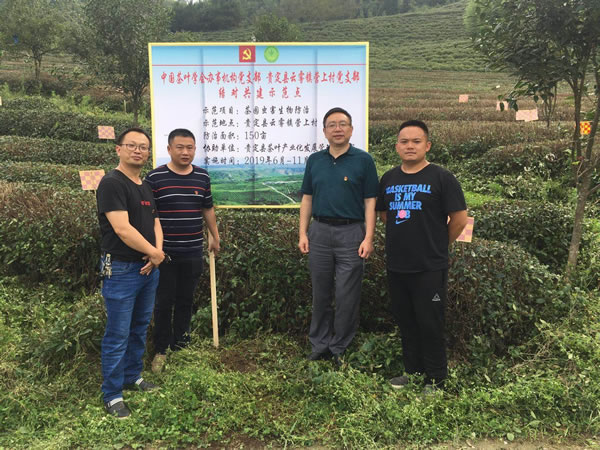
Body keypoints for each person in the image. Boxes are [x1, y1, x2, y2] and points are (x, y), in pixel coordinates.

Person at [376, 119, 467, 392]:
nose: (410, 146)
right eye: (404, 141)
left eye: (416, 141)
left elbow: (460, 219)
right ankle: (413, 372)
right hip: (397, 264)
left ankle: (436, 379)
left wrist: (438, 244)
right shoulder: (388, 179)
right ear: (396, 147)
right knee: (406, 320)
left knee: (430, 322)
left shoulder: (442, 178)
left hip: (430, 267)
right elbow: (384, 215)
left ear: (427, 145)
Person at [298, 107, 379, 365]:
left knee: (347, 294)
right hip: (319, 232)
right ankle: (319, 343)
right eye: (332, 125)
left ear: (351, 129)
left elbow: (370, 201)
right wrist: (303, 233)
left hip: (351, 233)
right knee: (320, 292)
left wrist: (368, 237)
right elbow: (307, 198)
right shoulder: (315, 160)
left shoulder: (363, 160)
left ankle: (339, 346)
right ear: (324, 131)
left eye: (342, 124)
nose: (337, 129)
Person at [96, 127, 166, 419]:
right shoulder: (111, 183)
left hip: (148, 267)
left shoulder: (144, 184)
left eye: (143, 147)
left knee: (139, 326)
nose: (138, 150)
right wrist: (154, 253)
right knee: (118, 333)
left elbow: (155, 221)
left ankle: (131, 376)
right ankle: (112, 394)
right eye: (132, 145)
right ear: (118, 149)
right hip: (122, 268)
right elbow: (122, 229)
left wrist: (156, 253)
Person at [145, 128, 220, 373]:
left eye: (190, 148)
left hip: (192, 250)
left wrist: (214, 236)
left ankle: (181, 344)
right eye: (180, 147)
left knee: (186, 300)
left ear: (195, 150)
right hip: (164, 254)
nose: (185, 152)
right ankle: (161, 349)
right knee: (163, 302)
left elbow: (207, 208)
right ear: (169, 149)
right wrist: (151, 249)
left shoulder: (202, 176)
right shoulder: (154, 178)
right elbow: (148, 215)